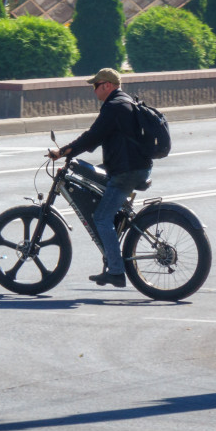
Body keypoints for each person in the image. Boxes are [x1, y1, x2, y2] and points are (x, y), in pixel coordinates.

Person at [47, 68, 152, 288]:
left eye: (95, 85)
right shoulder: (125, 102)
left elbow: (92, 137)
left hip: (127, 171)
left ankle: (116, 271)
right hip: (133, 167)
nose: (93, 90)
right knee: (97, 186)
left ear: (107, 85)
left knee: (102, 218)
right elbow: (100, 139)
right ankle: (114, 244)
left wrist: (64, 151)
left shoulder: (114, 106)